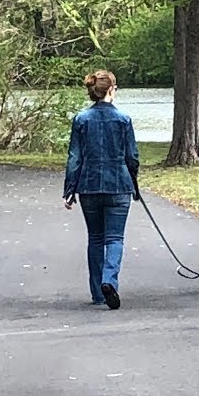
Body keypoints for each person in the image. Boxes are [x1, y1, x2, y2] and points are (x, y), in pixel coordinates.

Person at [62, 69, 141, 310]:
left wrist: (69, 189)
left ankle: (97, 292)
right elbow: (132, 156)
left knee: (95, 238)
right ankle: (110, 281)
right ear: (111, 90)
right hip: (119, 185)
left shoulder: (81, 119)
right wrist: (133, 181)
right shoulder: (124, 120)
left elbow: (75, 157)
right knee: (115, 238)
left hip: (89, 186)